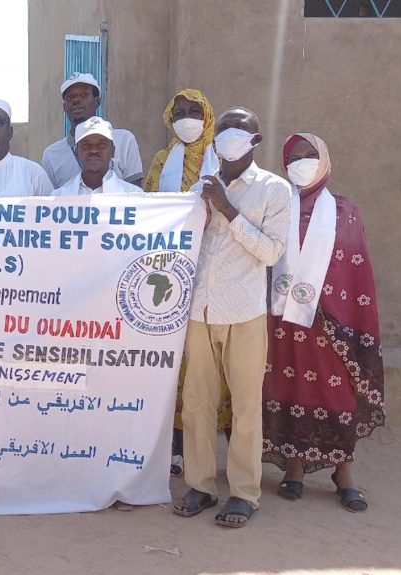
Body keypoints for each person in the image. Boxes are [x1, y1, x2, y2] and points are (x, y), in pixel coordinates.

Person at [172, 107, 291, 528]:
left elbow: (273, 252)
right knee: (197, 405)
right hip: (199, 310)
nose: (228, 136)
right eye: (222, 129)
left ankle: (244, 494)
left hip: (243, 311)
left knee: (244, 406)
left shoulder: (274, 190)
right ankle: (201, 485)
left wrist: (227, 209)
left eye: (238, 130)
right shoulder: (201, 185)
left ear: (255, 140)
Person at [263, 133, 384, 512]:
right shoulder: (276, 207)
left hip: (332, 322)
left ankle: (344, 473)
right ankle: (294, 469)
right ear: (285, 166)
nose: (302, 162)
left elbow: (355, 267)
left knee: (337, 394)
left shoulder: (344, 210)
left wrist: (329, 306)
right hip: (283, 322)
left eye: (310, 155)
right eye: (295, 157)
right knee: (289, 390)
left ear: (325, 160)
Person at [142, 88, 229, 478]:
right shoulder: (164, 161)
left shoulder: (226, 160)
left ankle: (225, 444)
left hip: (217, 270)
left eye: (195, 111)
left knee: (215, 360)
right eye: (180, 112)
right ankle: (176, 444)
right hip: (172, 270)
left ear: (208, 115)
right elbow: (148, 208)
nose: (187, 118)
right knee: (176, 360)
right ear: (169, 117)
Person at [41, 72, 143, 188]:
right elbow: (51, 203)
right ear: (64, 107)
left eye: (83, 95)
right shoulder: (51, 154)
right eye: (70, 97)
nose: (76, 100)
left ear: (97, 101)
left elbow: (135, 198)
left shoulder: (125, 140)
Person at [51, 116, 141, 196]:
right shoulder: (59, 197)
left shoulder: (134, 196)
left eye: (101, 144)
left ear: (113, 151)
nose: (94, 150)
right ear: (77, 152)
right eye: (86, 145)